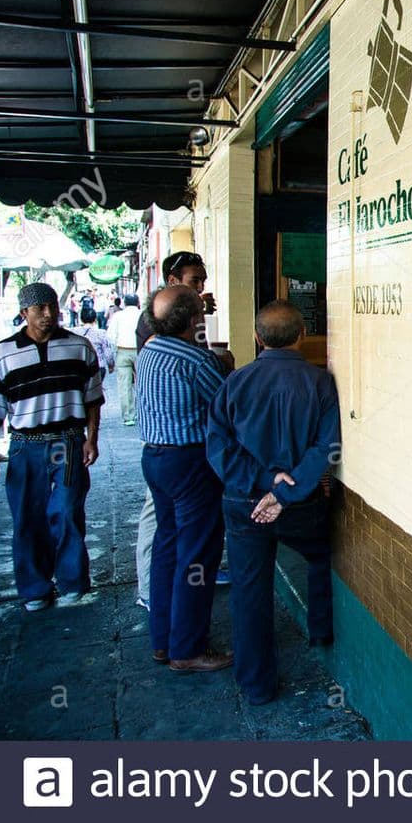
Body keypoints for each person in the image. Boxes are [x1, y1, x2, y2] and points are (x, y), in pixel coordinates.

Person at [206, 301, 339, 704]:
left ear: (258, 338)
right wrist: (283, 492)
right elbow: (327, 447)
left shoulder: (235, 382)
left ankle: (256, 685)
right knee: (321, 556)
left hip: (244, 501)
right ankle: (321, 633)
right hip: (301, 503)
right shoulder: (321, 383)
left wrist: (263, 482)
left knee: (249, 589)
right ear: (301, 336)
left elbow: (217, 446)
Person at [0, 283, 104, 610]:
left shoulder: (80, 348)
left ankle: (72, 581)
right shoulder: (3, 353)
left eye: (52, 307)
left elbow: (93, 400)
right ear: (24, 313)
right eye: (40, 309)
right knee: (27, 517)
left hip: (67, 442)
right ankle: (35, 589)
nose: (48, 314)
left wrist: (92, 438)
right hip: (25, 446)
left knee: (66, 511)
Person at [137, 285, 231, 672]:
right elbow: (225, 405)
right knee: (197, 555)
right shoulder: (194, 360)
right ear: (195, 320)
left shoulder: (149, 350)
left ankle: (163, 641)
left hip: (155, 460)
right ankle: (188, 648)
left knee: (168, 547)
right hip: (190, 464)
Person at [108, 293, 142, 426]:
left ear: (125, 303)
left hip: (122, 351)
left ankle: (129, 416)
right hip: (140, 351)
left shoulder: (118, 316)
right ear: (138, 302)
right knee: (143, 384)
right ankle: (143, 412)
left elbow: (110, 336)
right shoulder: (142, 315)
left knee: (124, 385)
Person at [71, 306, 116, 377]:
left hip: (80, 366)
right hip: (98, 366)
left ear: (81, 319)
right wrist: (111, 365)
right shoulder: (101, 333)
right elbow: (108, 352)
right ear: (95, 319)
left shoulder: (74, 332)